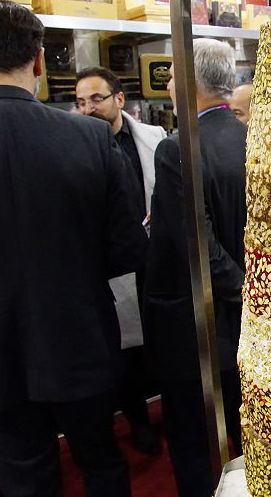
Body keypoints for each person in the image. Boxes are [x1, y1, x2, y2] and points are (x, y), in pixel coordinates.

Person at [0, 0, 146, 496]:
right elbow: (129, 249)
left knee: (24, 480)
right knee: (102, 464)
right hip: (79, 339)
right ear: (41, 61)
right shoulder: (91, 138)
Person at [143, 38, 247, 497]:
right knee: (248, 433)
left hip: (198, 325)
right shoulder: (251, 137)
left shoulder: (178, 147)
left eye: (171, 75)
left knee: (193, 442)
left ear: (189, 80)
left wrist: (240, 288)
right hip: (247, 323)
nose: (167, 84)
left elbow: (196, 241)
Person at [75, 66, 167, 455]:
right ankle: (138, 423)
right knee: (125, 353)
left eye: (96, 99)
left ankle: (169, 411)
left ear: (119, 99)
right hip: (112, 264)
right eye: (80, 102)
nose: (88, 109)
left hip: (157, 257)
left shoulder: (153, 136)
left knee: (162, 341)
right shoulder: (77, 145)